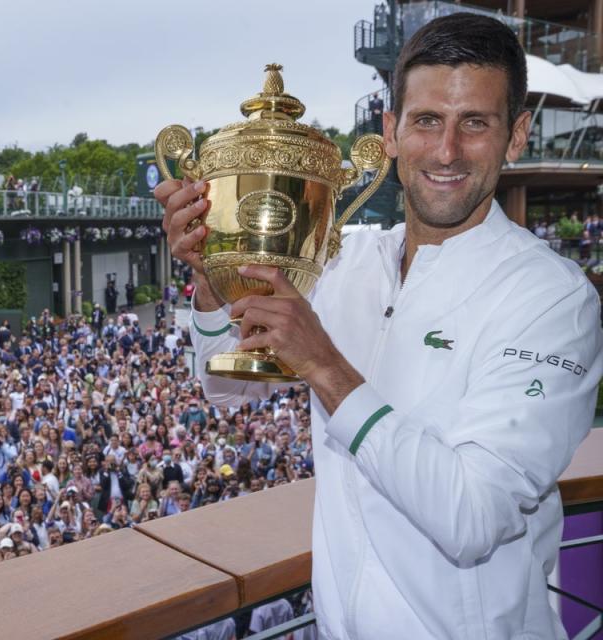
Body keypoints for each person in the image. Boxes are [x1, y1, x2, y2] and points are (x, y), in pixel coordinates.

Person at [154, 14, 602, 639]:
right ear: (390, 133)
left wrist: (328, 370)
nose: (446, 151)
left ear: (517, 136)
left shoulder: (553, 298)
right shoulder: (343, 260)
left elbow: (473, 517)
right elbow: (229, 389)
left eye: (475, 122)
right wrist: (210, 277)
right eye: (426, 121)